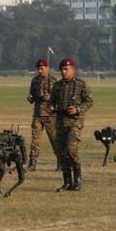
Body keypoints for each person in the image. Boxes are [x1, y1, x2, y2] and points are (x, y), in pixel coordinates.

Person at [49, 57, 93, 191]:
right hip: (60, 122)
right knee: (62, 153)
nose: (63, 72)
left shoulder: (81, 84)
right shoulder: (57, 86)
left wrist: (78, 109)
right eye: (61, 69)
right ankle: (67, 181)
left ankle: (78, 178)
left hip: (75, 122)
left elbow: (89, 101)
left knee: (71, 149)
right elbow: (52, 101)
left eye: (66, 69)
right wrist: (51, 107)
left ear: (72, 70)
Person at [26, 58, 57, 171]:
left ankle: (61, 163)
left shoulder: (54, 81)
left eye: (42, 68)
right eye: (38, 68)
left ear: (47, 68)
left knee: (54, 139)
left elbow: (58, 98)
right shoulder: (34, 81)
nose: (40, 70)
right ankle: (32, 163)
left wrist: (51, 100)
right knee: (35, 140)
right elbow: (31, 97)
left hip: (50, 115)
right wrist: (30, 98)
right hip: (38, 114)